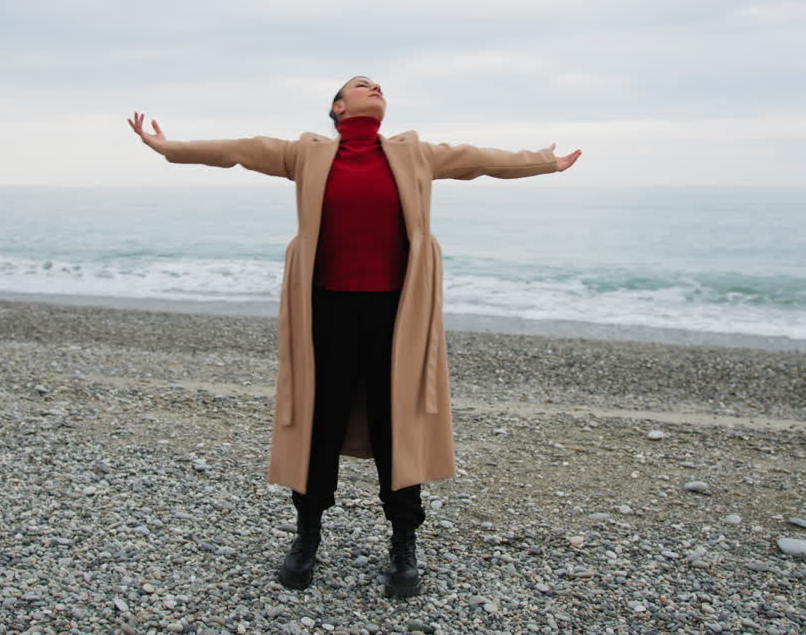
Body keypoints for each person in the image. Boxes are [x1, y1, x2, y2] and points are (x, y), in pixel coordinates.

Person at [128, 76, 582, 598]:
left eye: (379, 85)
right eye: (360, 85)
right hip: (326, 309)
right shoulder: (308, 153)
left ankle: (404, 544)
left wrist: (544, 162)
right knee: (321, 421)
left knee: (398, 425)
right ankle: (306, 539)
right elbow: (241, 150)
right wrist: (168, 149)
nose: (374, 87)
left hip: (397, 312)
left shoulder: (413, 153)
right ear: (339, 107)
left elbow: (476, 159)